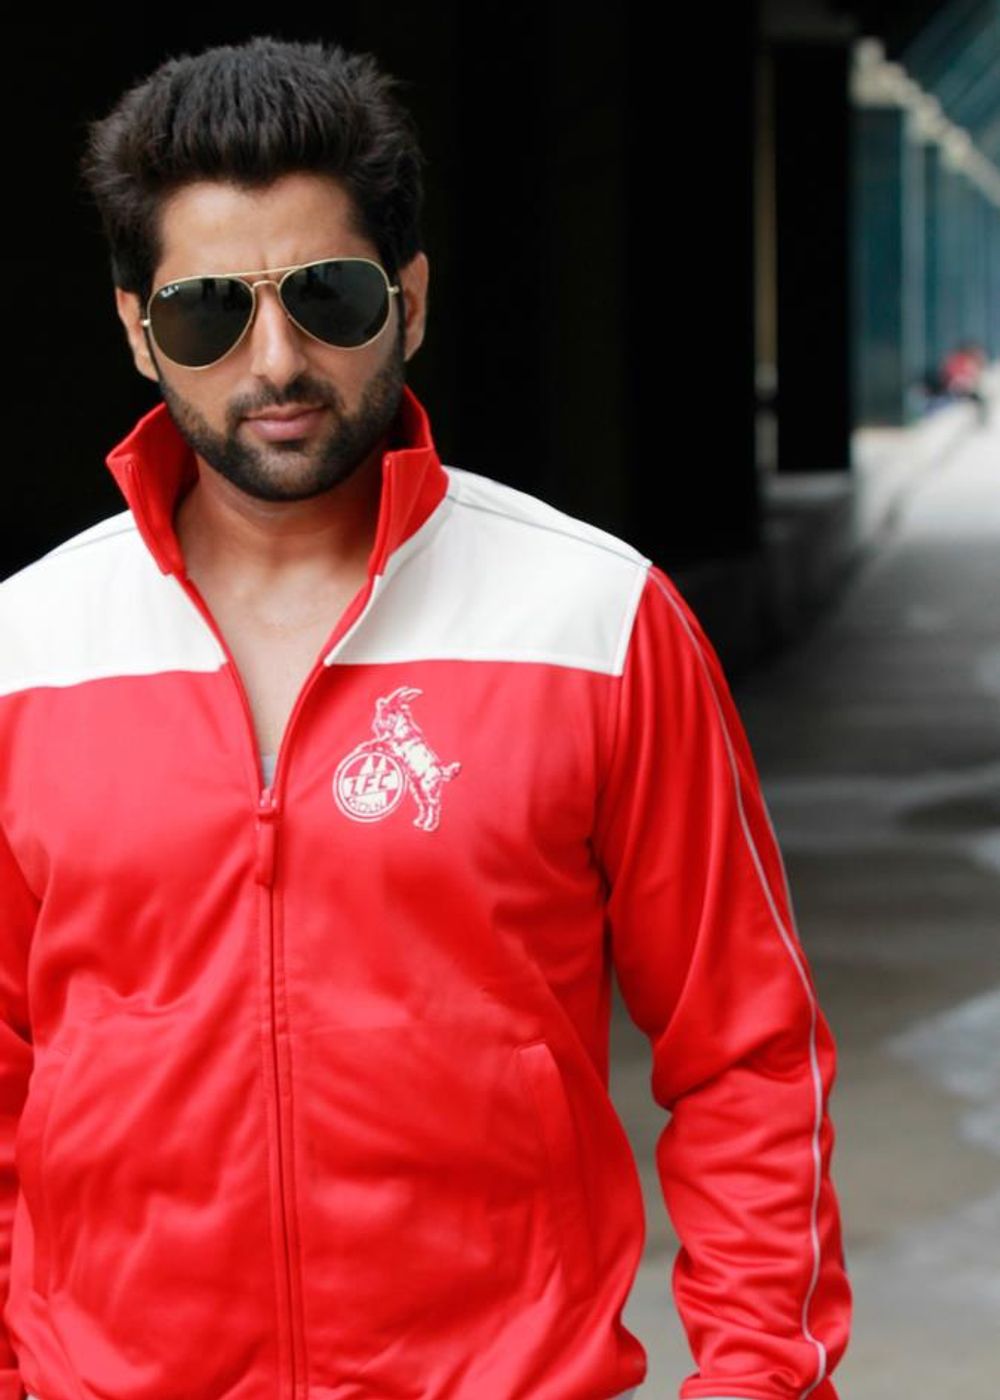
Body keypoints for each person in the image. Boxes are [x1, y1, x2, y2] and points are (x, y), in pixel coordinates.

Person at [0, 35, 851, 1400]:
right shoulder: (27, 649)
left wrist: (761, 1381)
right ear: (137, 330)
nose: (276, 360)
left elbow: (747, 1054)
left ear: (409, 299)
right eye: (210, 312)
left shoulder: (596, 619)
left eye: (328, 297)